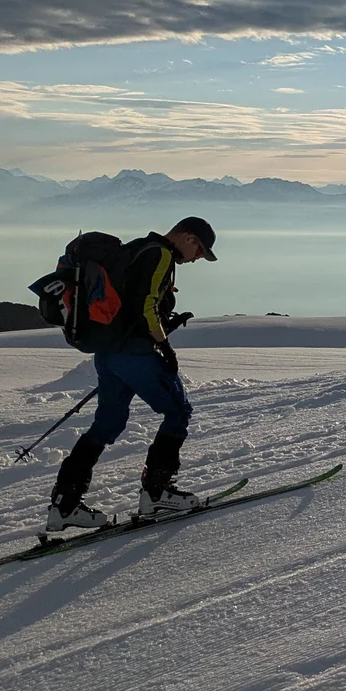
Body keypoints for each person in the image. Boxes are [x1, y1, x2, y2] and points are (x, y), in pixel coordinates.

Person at [46, 216, 218, 531]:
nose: (196, 259)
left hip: (108, 352)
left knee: (107, 424)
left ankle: (65, 505)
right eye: (200, 251)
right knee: (178, 411)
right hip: (134, 354)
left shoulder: (139, 247)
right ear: (189, 238)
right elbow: (145, 307)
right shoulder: (161, 255)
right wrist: (165, 346)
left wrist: (167, 319)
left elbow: (129, 303)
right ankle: (157, 492)